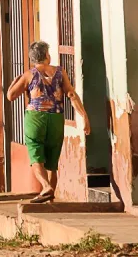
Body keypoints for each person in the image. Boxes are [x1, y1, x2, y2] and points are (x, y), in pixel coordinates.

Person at [6, 40, 90, 203]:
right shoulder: (60, 72)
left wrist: (13, 84)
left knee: (36, 154)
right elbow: (71, 95)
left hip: (35, 117)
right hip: (56, 117)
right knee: (52, 161)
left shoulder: (29, 75)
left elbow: (10, 96)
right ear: (46, 55)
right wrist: (84, 116)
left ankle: (46, 187)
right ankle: (50, 200)